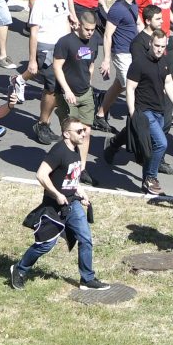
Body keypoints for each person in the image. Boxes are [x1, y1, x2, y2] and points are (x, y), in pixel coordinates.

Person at [11, 119, 105, 289]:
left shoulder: (76, 149)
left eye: (83, 130)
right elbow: (41, 174)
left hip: (72, 203)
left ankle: (87, 278)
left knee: (86, 238)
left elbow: (70, 176)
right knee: (46, 244)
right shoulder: (59, 151)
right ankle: (20, 269)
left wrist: (79, 190)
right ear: (66, 134)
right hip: (54, 206)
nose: (83, 134)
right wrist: (56, 194)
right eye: (79, 131)